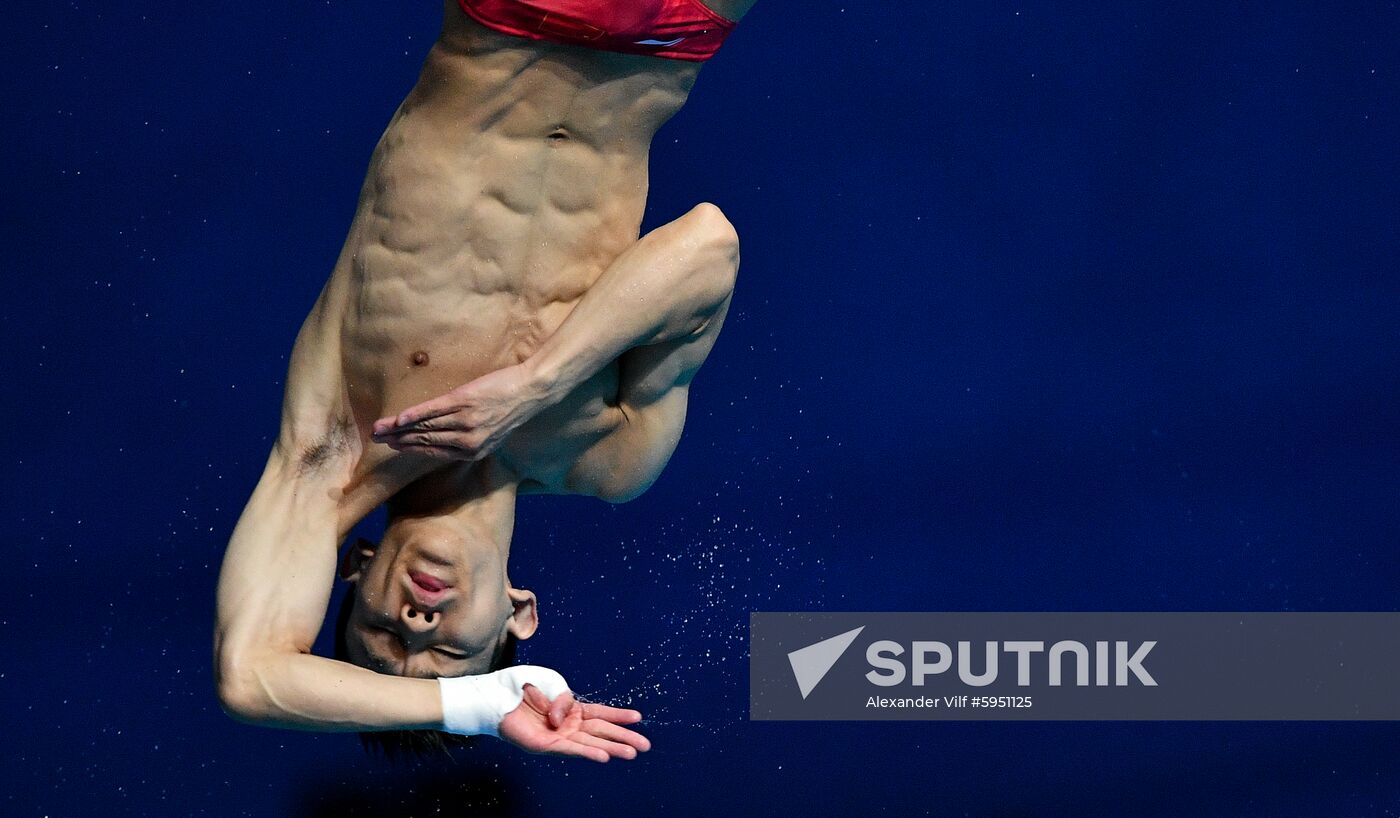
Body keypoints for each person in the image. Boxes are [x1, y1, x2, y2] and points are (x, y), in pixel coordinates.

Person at [214, 0, 759, 761]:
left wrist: (464, 702)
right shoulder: (607, 459)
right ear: (519, 615)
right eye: (447, 656)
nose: (416, 626)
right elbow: (708, 246)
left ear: (359, 568)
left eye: (378, 633)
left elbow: (249, 680)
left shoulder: (336, 449)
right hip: (673, 36)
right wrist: (534, 386)